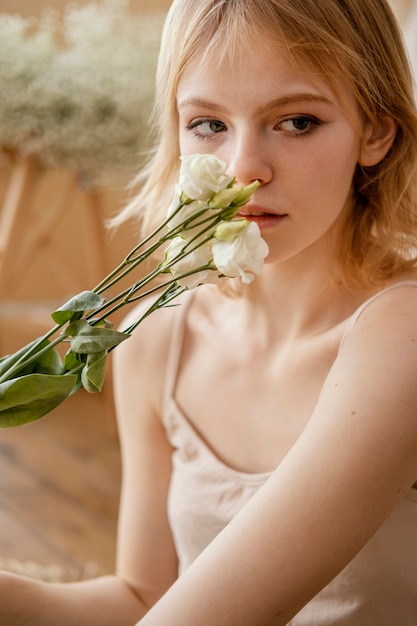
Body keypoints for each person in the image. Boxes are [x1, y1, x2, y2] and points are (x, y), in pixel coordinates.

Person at [2, 0, 417, 623]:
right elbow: (145, 598)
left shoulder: (399, 337)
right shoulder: (154, 334)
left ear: (376, 133)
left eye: (297, 122)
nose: (244, 167)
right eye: (208, 124)